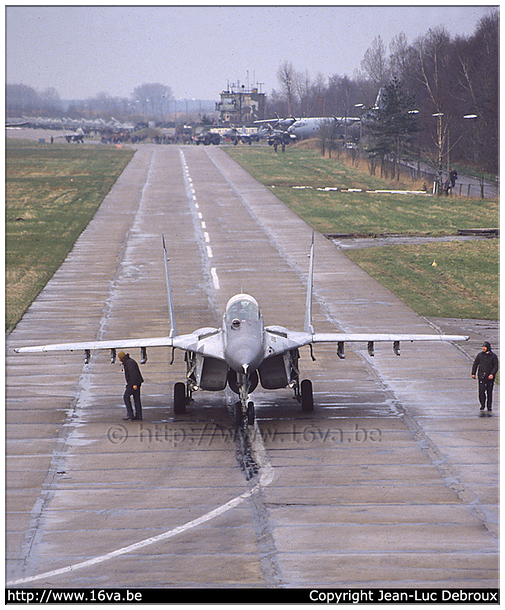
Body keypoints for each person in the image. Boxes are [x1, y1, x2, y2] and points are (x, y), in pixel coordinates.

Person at [471, 342, 499, 412]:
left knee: (489, 392)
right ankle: (482, 404)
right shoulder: (480, 355)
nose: (483, 348)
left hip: (489, 377)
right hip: (481, 376)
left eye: (485, 347)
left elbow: (496, 366)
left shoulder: (493, 356)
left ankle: (489, 406)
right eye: (483, 347)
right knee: (481, 391)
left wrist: (492, 374)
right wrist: (473, 373)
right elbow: (475, 364)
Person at [118, 351, 144, 420]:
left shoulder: (129, 363)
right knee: (136, 399)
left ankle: (130, 414)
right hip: (135, 383)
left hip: (133, 383)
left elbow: (133, 374)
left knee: (126, 397)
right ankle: (138, 415)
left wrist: (134, 384)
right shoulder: (129, 362)